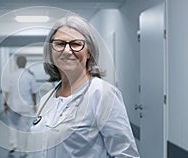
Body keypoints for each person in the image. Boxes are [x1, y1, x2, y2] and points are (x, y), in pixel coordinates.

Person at [28, 15, 140, 158]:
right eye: (60, 43)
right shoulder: (47, 98)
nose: (67, 51)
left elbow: (125, 155)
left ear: (89, 52)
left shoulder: (103, 95)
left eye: (76, 44)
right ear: (51, 51)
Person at [3, 55, 38, 156]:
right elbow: (34, 92)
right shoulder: (30, 76)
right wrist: (35, 104)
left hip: (12, 105)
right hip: (26, 107)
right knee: (24, 129)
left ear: (17, 63)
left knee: (12, 126)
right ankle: (23, 149)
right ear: (25, 63)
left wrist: (5, 104)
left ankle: (12, 145)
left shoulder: (11, 76)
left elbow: (7, 92)